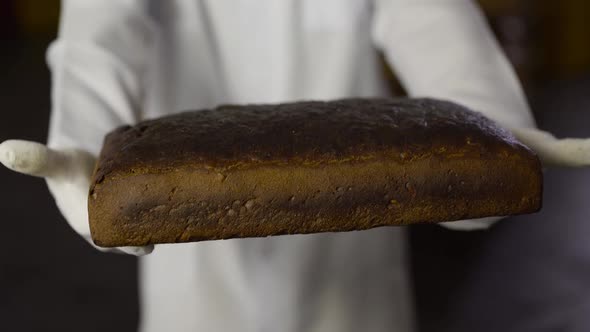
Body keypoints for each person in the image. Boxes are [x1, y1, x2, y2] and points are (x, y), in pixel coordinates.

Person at [0, 1, 589, 331]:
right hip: (197, 281)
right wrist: (83, 136)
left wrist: (492, 138)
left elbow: (435, 25)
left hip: (356, 273)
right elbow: (99, 34)